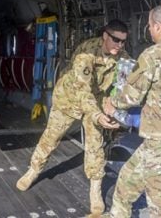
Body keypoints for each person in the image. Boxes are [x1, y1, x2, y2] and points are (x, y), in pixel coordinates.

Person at [16, 19, 129, 215]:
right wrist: (96, 114)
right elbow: (83, 91)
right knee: (51, 137)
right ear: (105, 36)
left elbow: (125, 82)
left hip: (96, 100)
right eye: (115, 40)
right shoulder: (86, 52)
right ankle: (33, 170)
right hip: (69, 97)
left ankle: (95, 189)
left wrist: (114, 107)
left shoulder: (122, 56)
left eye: (123, 42)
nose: (119, 45)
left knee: (95, 143)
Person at [102, 4, 161, 218]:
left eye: (149, 25)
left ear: (155, 26)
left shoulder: (151, 56)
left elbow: (132, 96)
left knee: (160, 202)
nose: (149, 28)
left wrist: (112, 103)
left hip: (160, 139)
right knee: (127, 181)